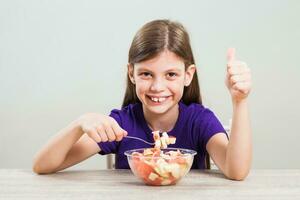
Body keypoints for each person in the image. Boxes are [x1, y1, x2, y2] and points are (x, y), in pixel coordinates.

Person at [33, 19, 252, 180]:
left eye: (171, 74)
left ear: (188, 75)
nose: (158, 87)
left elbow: (237, 171)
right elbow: (42, 165)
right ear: (131, 73)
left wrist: (239, 101)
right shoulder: (121, 124)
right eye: (146, 74)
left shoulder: (199, 121)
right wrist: (79, 124)